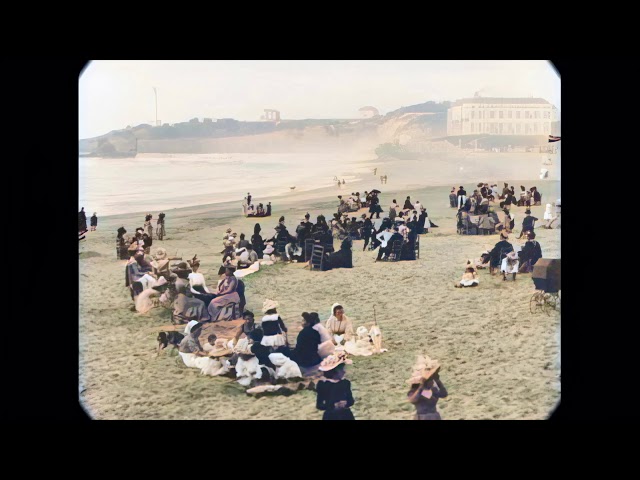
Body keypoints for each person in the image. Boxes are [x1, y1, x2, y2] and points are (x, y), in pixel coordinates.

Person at [406, 355, 448, 420]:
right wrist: (422, 385)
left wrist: (437, 380)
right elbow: (413, 399)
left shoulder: (432, 389)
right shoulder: (414, 391)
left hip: (433, 416)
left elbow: (444, 394)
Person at [316, 352, 355, 420]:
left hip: (346, 415)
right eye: (341, 370)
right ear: (334, 372)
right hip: (331, 416)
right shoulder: (323, 385)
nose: (344, 372)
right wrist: (332, 406)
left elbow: (351, 400)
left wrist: (346, 403)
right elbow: (319, 405)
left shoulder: (345, 383)